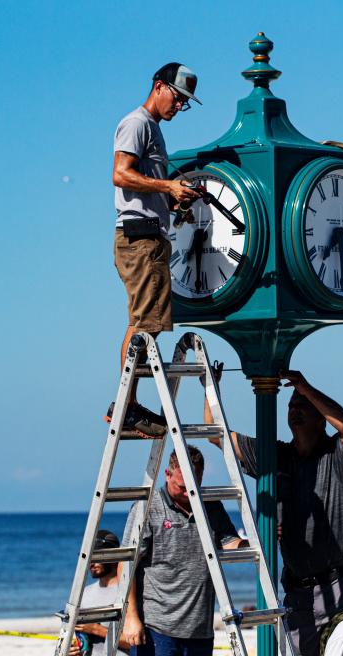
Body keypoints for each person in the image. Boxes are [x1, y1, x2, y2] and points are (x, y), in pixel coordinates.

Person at [206, 367, 343, 656]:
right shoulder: (274, 454)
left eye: (303, 405)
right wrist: (210, 386)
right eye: (291, 405)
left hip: (339, 585)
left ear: (320, 414)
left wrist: (306, 386)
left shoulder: (335, 453)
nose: (295, 410)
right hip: (297, 590)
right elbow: (214, 433)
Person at [108, 62, 202, 437]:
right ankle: (126, 406)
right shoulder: (137, 124)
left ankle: (128, 403)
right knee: (143, 323)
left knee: (146, 322)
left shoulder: (154, 132)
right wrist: (168, 189)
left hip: (150, 234)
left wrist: (173, 201)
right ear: (159, 87)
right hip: (139, 236)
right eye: (177, 99)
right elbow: (121, 174)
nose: (179, 107)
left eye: (184, 103)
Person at [122, 446, 248, 656]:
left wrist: (256, 542)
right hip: (157, 628)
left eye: (193, 485)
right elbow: (126, 564)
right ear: (167, 475)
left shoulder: (210, 505)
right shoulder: (148, 507)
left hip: (200, 629)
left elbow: (229, 542)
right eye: (181, 487)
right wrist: (131, 618)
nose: (188, 492)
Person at [69, 530, 131, 656]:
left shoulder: (130, 593)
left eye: (96, 556)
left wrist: (96, 629)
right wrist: (78, 647)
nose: (91, 563)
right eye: (89, 558)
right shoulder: (85, 593)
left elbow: (137, 642)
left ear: (113, 557)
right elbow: (84, 636)